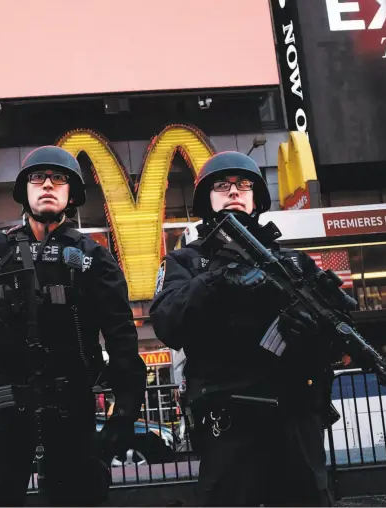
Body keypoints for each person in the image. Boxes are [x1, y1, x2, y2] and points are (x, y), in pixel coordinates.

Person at [0, 145, 147, 507]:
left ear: (72, 193)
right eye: (37, 178)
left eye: (59, 179)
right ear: (24, 190)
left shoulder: (93, 257)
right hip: (5, 406)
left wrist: (124, 417)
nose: (48, 185)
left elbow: (122, 339)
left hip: (70, 408)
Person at [149, 151, 337, 507]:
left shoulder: (293, 263)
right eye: (222, 185)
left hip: (294, 423)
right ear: (208, 198)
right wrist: (215, 279)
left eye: (243, 185)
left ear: (256, 199)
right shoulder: (187, 261)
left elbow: (335, 343)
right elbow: (167, 323)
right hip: (229, 427)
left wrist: (311, 333)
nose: (233, 191)